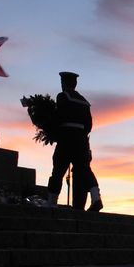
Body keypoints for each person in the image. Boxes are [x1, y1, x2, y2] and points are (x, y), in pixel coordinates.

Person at [46, 71, 102, 211]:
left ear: (64, 83)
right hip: (82, 140)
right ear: (75, 84)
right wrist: (81, 135)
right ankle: (96, 198)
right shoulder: (84, 101)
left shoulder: (63, 96)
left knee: (58, 170)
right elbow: (89, 125)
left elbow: (58, 117)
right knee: (84, 169)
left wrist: (52, 131)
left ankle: (52, 202)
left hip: (66, 138)